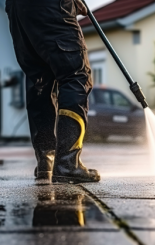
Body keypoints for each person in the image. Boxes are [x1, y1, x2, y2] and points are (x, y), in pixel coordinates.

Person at [5, 0, 100, 183]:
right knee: (76, 76)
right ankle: (67, 164)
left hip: (18, 10)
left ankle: (45, 161)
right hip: (51, 6)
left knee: (39, 81)